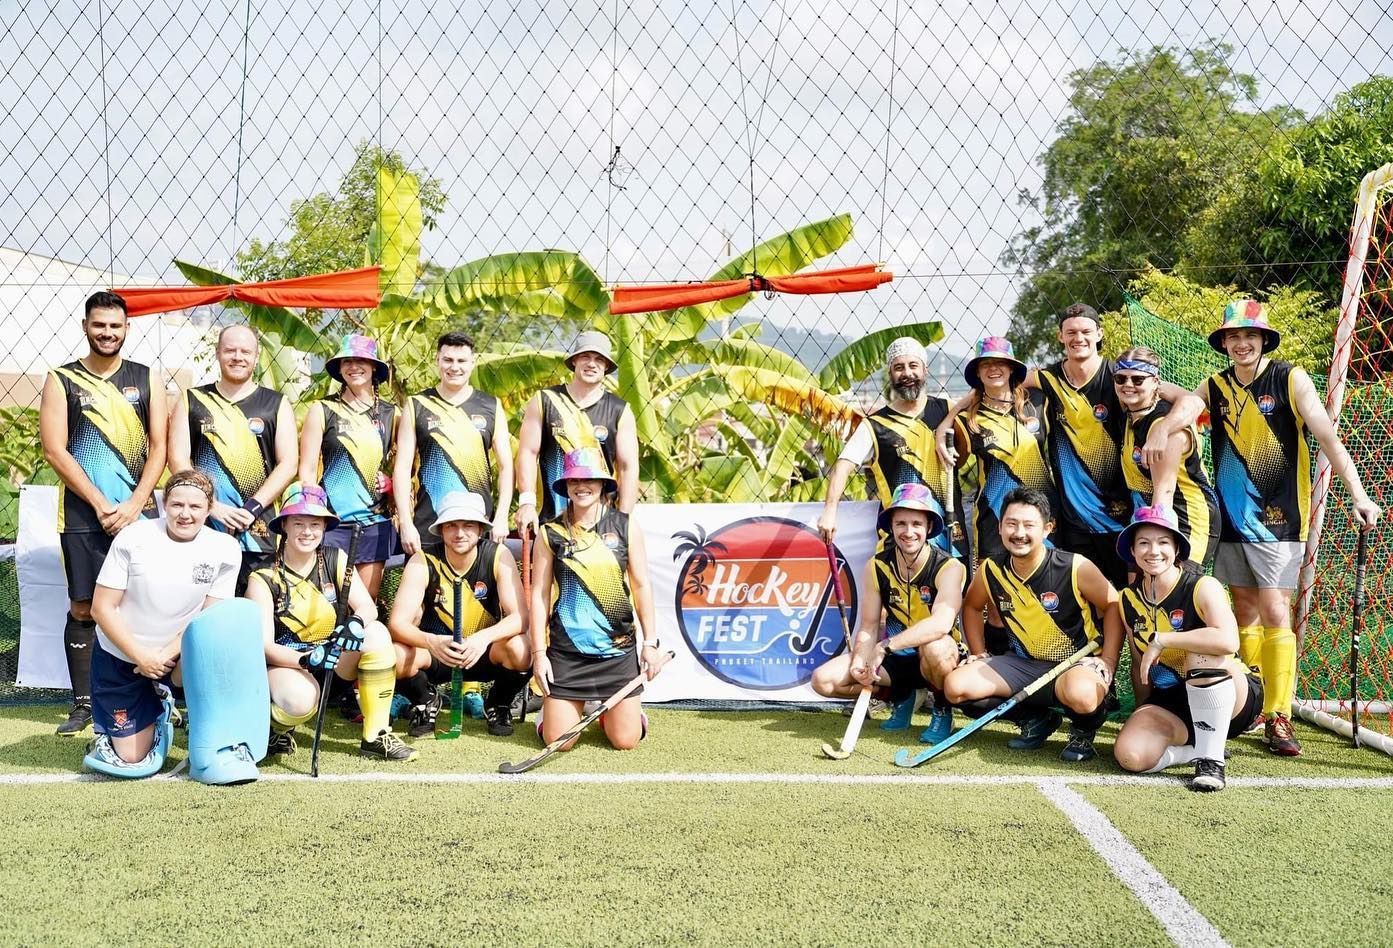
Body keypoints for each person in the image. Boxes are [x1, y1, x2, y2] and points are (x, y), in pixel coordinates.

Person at [1196, 300, 1381, 756]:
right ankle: (1251, 702)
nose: (1241, 344)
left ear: (1263, 340)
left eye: (1250, 336)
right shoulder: (1214, 386)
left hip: (1280, 520)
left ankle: (1278, 715)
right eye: (1233, 337)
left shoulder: (1289, 378)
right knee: (1244, 610)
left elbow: (1326, 435)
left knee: (1276, 610)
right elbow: (1185, 412)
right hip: (1230, 520)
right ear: (1224, 343)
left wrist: (1357, 493)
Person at [939, 304, 1203, 586]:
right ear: (1060, 337)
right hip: (1073, 520)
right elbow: (997, 384)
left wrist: (1164, 428)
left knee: (1133, 595)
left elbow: (1194, 401)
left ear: (1099, 334)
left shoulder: (1122, 377)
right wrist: (949, 418)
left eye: (1086, 331)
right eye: (1071, 332)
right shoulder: (1048, 380)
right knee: (1079, 598)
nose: (1079, 338)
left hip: (1123, 515)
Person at [39, 290, 168, 736]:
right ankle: (83, 704)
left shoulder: (148, 378)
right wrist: (100, 503)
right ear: (85, 326)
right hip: (82, 515)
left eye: (115, 325)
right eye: (99, 325)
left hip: (141, 513)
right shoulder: (62, 379)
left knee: (147, 604)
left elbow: (160, 448)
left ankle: (154, 694)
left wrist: (135, 504)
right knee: (83, 607)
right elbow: (55, 449)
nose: (107, 333)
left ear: (127, 328)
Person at [943, 487, 1122, 762]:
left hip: (1075, 666)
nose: (1019, 533)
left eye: (1029, 525)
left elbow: (1112, 604)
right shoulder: (991, 570)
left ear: (1048, 529)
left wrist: (1108, 659)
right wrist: (978, 652)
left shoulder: (1075, 566)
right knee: (956, 687)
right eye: (1011, 524)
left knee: (1083, 695)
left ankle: (1082, 731)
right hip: (1023, 666)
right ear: (1000, 527)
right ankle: (1035, 720)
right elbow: (972, 605)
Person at [246, 483, 417, 761]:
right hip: (290, 666)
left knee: (375, 632)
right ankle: (275, 728)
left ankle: (376, 735)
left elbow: (366, 607)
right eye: (298, 523)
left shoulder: (336, 559)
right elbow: (264, 646)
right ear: (284, 526)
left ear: (325, 527)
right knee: (300, 700)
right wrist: (307, 659)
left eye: (315, 524)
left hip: (334, 663)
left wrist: (356, 621)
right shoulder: (263, 578)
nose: (307, 531)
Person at [84, 469, 240, 769]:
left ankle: (175, 703)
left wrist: (164, 656)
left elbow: (209, 618)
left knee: (215, 646)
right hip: (121, 656)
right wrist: (141, 656)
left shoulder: (225, 549)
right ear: (164, 504)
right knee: (130, 758)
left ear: (209, 510)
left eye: (195, 507)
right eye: (177, 505)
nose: (185, 514)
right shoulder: (133, 537)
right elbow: (101, 608)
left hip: (177, 657)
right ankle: (144, 719)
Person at [1112, 506, 1261, 792]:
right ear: (1132, 550)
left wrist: (1164, 639)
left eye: (1163, 542)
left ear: (1177, 548)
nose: (1153, 551)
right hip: (1176, 700)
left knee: (1200, 653)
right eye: (1143, 542)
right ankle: (1195, 750)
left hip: (1230, 693)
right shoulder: (1127, 598)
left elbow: (1228, 642)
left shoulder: (1203, 586)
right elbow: (1139, 663)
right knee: (1131, 756)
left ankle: (1211, 760)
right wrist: (1144, 712)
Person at [810, 483, 967, 743]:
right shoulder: (876, 566)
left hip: (938, 656)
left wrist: (885, 647)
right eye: (901, 523)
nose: (908, 532)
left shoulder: (949, 566)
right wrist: (861, 661)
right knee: (823, 681)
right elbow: (870, 625)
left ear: (929, 528)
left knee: (935, 648)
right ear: (891, 527)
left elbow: (941, 624)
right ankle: (901, 696)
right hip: (896, 658)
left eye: (917, 523)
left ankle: (941, 708)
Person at [529, 448, 663, 750]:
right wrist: (539, 654)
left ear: (603, 484)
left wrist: (650, 644)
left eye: (589, 479)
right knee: (559, 742)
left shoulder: (625, 526)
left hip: (618, 651)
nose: (581, 486)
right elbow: (539, 595)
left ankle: (617, 713)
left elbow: (641, 586)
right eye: (574, 480)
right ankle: (549, 715)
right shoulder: (550, 532)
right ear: (565, 486)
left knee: (625, 741)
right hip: (567, 652)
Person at [388, 491, 532, 738]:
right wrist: (431, 641)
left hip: (484, 651)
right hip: (438, 650)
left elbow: (521, 617)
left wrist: (482, 638)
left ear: (480, 528)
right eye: (451, 525)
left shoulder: (498, 554)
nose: (460, 533)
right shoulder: (423, 560)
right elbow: (397, 624)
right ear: (441, 529)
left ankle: (498, 703)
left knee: (522, 648)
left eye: (468, 525)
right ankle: (425, 700)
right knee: (393, 654)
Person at [168, 324, 298, 592]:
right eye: (230, 350)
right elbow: (178, 460)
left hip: (259, 531)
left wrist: (252, 508)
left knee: (254, 614)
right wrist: (211, 506)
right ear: (217, 353)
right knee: (201, 611)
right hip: (203, 527)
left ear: (256, 355)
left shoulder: (276, 403)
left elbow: (288, 464)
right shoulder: (191, 399)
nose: (237, 357)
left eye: (245, 351)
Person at [817, 336, 965, 559]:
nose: (907, 373)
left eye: (913, 366)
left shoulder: (947, 410)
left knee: (955, 592)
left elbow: (980, 396)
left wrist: (948, 421)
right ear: (890, 375)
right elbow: (842, 466)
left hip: (950, 532)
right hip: (902, 538)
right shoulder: (874, 425)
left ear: (925, 370)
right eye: (899, 367)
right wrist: (829, 511)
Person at [394, 331, 512, 557]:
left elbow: (506, 467)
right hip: (429, 524)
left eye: (461, 361)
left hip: (476, 524)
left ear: (472, 362)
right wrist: (407, 524)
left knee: (477, 592)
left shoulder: (491, 405)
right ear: (437, 360)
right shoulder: (417, 405)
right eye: (448, 360)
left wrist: (502, 516)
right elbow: (402, 469)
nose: (454, 367)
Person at [297, 333, 398, 599]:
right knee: (327, 599)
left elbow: (407, 464)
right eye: (347, 361)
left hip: (375, 521)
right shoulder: (322, 409)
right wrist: (312, 513)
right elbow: (306, 470)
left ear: (374, 367)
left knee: (365, 603)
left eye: (361, 360)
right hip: (331, 522)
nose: (354, 366)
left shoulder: (392, 413)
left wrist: (392, 483)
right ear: (339, 369)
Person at [515, 330, 639, 537]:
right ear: (574, 361)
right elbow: (527, 453)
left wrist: (622, 519)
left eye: (599, 359)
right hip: (551, 518)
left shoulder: (620, 410)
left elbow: (628, 468)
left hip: (602, 523)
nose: (592, 364)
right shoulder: (544, 400)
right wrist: (526, 503)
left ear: (606, 366)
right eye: (585, 357)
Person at [948, 337, 1058, 565]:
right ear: (977, 373)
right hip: (994, 519)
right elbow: (953, 466)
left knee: (1044, 588)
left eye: (1000, 362)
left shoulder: (1039, 402)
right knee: (993, 591)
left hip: (1041, 514)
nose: (993, 369)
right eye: (985, 364)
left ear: (1011, 368)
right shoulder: (966, 420)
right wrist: (944, 426)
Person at [1113, 347, 1219, 568]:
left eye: (1138, 379)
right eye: (1121, 378)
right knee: (1145, 593)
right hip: (1147, 517)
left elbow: (1165, 493)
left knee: (1178, 591)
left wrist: (1154, 544)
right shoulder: (1132, 413)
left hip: (1184, 517)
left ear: (1156, 382)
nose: (1128, 385)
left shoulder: (1165, 425)